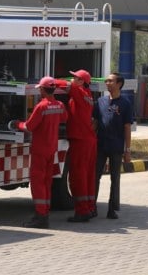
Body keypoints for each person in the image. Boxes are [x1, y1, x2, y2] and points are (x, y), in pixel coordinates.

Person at [8, 76, 68, 229]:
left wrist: (16, 124)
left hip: (40, 150)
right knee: (47, 183)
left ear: (42, 89)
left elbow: (29, 126)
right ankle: (44, 213)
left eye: (39, 88)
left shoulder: (41, 107)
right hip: (51, 149)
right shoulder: (60, 105)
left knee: (37, 184)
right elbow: (64, 118)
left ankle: (40, 217)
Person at [55, 69, 97, 222]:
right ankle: (90, 207)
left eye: (75, 78)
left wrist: (50, 80)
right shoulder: (87, 95)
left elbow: (63, 84)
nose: (72, 79)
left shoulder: (79, 92)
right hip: (88, 139)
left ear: (81, 81)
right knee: (87, 176)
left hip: (80, 140)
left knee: (77, 176)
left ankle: (82, 211)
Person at [92, 72, 133, 220]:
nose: (107, 83)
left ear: (119, 84)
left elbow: (127, 127)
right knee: (95, 177)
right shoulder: (100, 101)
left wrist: (127, 150)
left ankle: (112, 208)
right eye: (106, 81)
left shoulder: (125, 103)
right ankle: (92, 207)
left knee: (115, 178)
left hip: (116, 146)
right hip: (100, 145)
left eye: (110, 81)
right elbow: (95, 123)